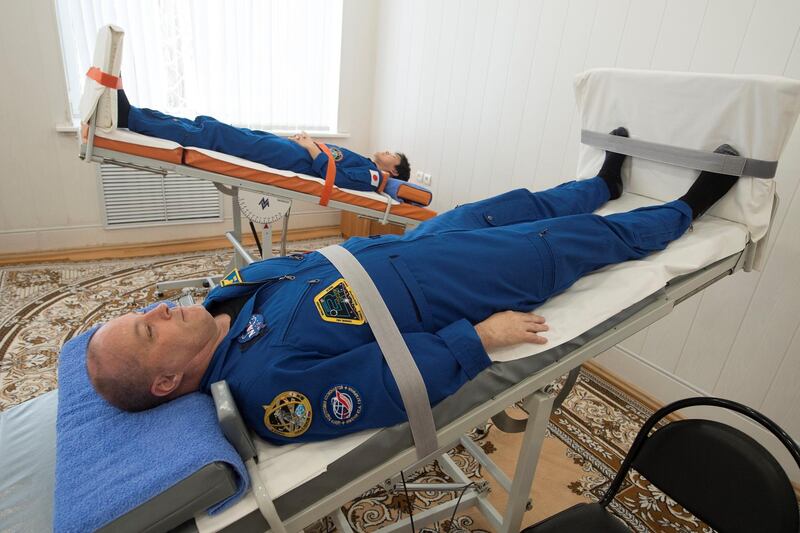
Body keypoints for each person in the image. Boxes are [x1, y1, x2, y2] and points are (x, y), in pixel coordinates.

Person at [86, 130, 741, 443]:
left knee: (509, 206)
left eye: (147, 309)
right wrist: (476, 339)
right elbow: (384, 383)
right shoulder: (269, 390)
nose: (162, 307)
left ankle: (599, 186)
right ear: (168, 380)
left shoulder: (221, 300)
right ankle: (688, 210)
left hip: (410, 247)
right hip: (448, 291)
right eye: (151, 328)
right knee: (569, 245)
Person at [112, 89, 411, 191]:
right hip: (291, 150)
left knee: (214, 135)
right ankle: (133, 113)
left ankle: (129, 117)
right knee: (210, 126)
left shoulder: (375, 177)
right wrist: (307, 143)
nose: (385, 151)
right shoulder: (367, 164)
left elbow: (337, 178)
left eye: (391, 155)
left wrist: (309, 146)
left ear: (392, 171)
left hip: (291, 158)